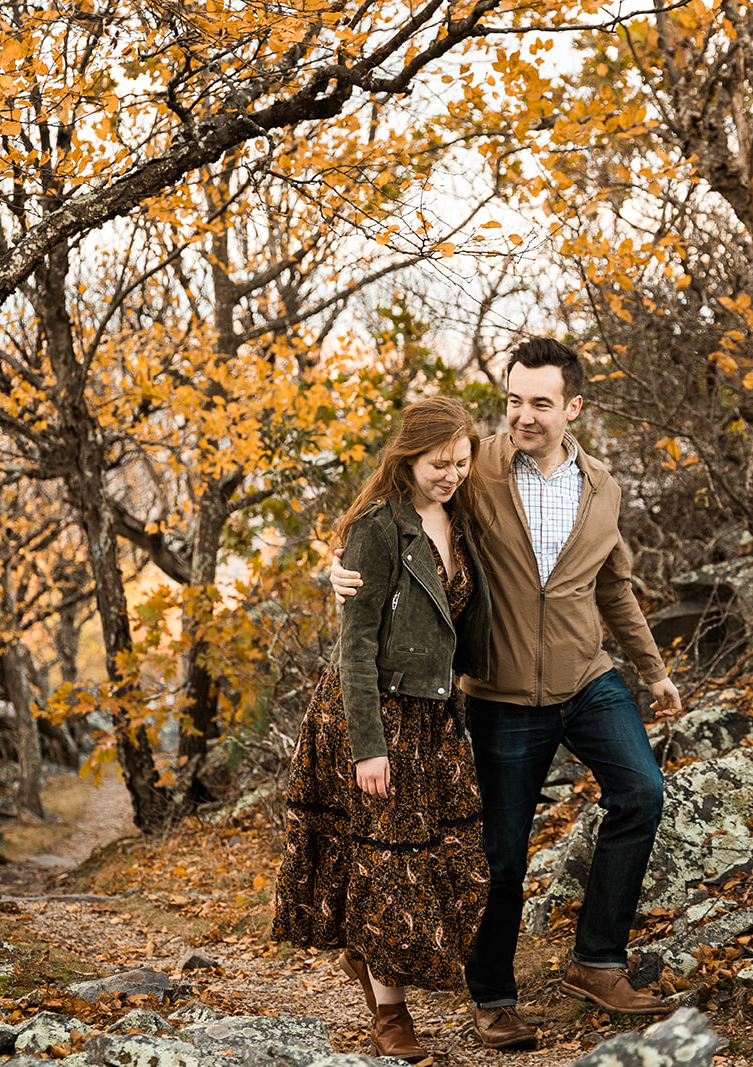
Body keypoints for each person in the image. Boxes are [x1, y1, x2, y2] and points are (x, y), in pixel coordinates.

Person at [333, 339, 682, 1050]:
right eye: (514, 400)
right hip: (500, 692)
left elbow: (614, 587)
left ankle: (598, 959)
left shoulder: (604, 487)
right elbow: (396, 510)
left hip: (588, 678)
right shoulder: (476, 464)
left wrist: (651, 671)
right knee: (502, 849)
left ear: (573, 407)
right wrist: (334, 569)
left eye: (540, 403)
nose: (523, 415)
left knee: (643, 792)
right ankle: (492, 996)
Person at [272, 396, 494, 1067]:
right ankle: (390, 1013)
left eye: (461, 462)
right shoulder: (377, 527)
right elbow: (355, 644)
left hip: (435, 719)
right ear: (408, 456)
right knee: (389, 868)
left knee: (455, 861)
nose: (451, 474)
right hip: (373, 714)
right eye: (438, 463)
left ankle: (372, 960)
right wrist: (369, 747)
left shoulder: (465, 517)